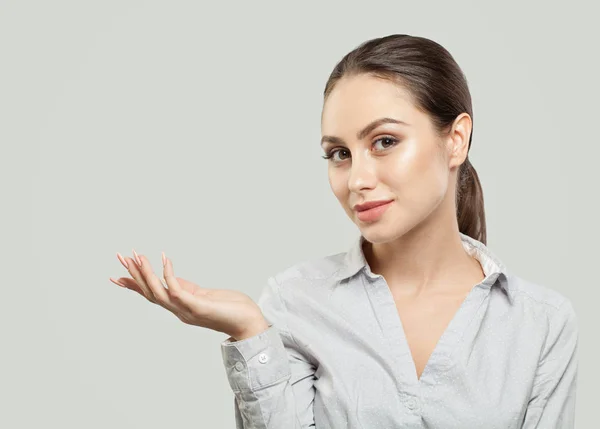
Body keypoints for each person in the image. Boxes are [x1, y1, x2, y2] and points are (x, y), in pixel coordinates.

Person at [109, 34, 579, 428]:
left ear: (455, 139)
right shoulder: (295, 302)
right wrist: (251, 331)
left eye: (385, 142)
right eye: (339, 153)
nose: (357, 179)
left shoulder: (540, 324)